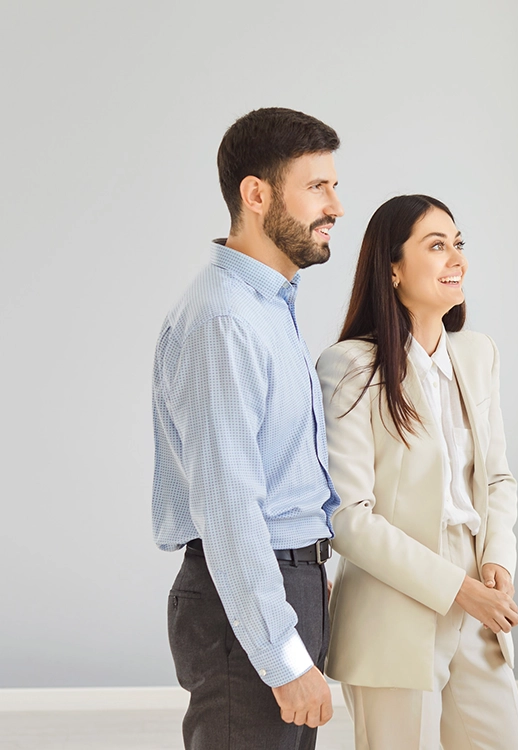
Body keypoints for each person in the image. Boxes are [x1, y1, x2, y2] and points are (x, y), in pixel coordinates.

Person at [152, 107, 344, 750]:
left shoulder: (269, 307)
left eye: (334, 186)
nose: (336, 206)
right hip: (249, 596)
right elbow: (229, 506)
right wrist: (282, 658)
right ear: (256, 194)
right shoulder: (224, 320)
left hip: (290, 583)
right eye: (317, 186)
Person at [316, 195, 518, 750]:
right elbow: (348, 519)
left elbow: (498, 480)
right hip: (394, 602)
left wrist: (497, 560)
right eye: (436, 246)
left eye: (458, 244)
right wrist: (458, 589)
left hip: (478, 591)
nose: (455, 257)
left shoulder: (478, 355)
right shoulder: (350, 367)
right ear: (392, 267)